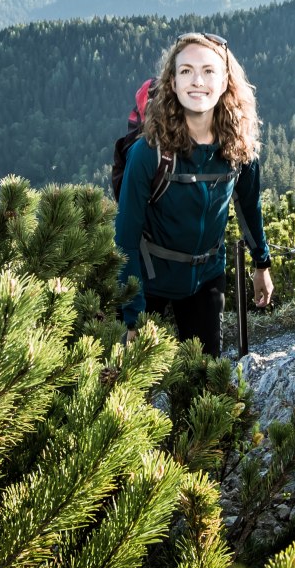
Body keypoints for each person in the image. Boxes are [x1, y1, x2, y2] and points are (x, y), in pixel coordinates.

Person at [116, 31, 275, 355]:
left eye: (208, 71)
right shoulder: (149, 152)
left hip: (206, 278)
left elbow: (249, 206)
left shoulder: (239, 147)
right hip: (149, 278)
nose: (197, 80)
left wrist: (262, 264)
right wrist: (132, 318)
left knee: (206, 384)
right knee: (133, 391)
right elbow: (126, 238)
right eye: (186, 71)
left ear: (225, 81)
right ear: (172, 83)